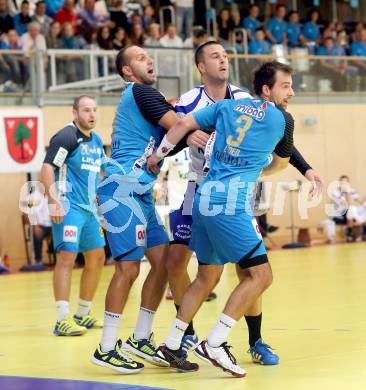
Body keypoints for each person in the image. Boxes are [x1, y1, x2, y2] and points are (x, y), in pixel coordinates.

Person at [161, 42, 322, 366]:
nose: (223, 59)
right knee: (258, 274)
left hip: (208, 194)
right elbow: (281, 154)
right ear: (201, 66)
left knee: (210, 275)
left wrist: (156, 156)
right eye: (215, 56)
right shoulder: (196, 100)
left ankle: (181, 341)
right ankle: (213, 341)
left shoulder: (233, 103)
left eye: (225, 55)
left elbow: (178, 128)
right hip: (217, 194)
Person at [90, 45, 205, 374]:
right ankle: (106, 346)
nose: (149, 60)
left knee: (164, 262)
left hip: (139, 191)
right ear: (127, 71)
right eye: (140, 58)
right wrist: (213, 130)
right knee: (128, 269)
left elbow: (176, 134)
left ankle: (140, 338)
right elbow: (182, 130)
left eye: (148, 56)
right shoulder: (140, 92)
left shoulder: (148, 100)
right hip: (119, 189)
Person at [40, 95, 106, 336]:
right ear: (74, 113)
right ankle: (62, 319)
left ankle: (83, 313)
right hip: (68, 208)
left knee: (97, 257)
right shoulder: (67, 137)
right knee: (67, 257)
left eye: (94, 110)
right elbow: (47, 168)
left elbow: (101, 169)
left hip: (89, 210)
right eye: (86, 110)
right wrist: (52, 199)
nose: (91, 114)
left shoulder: (97, 140)